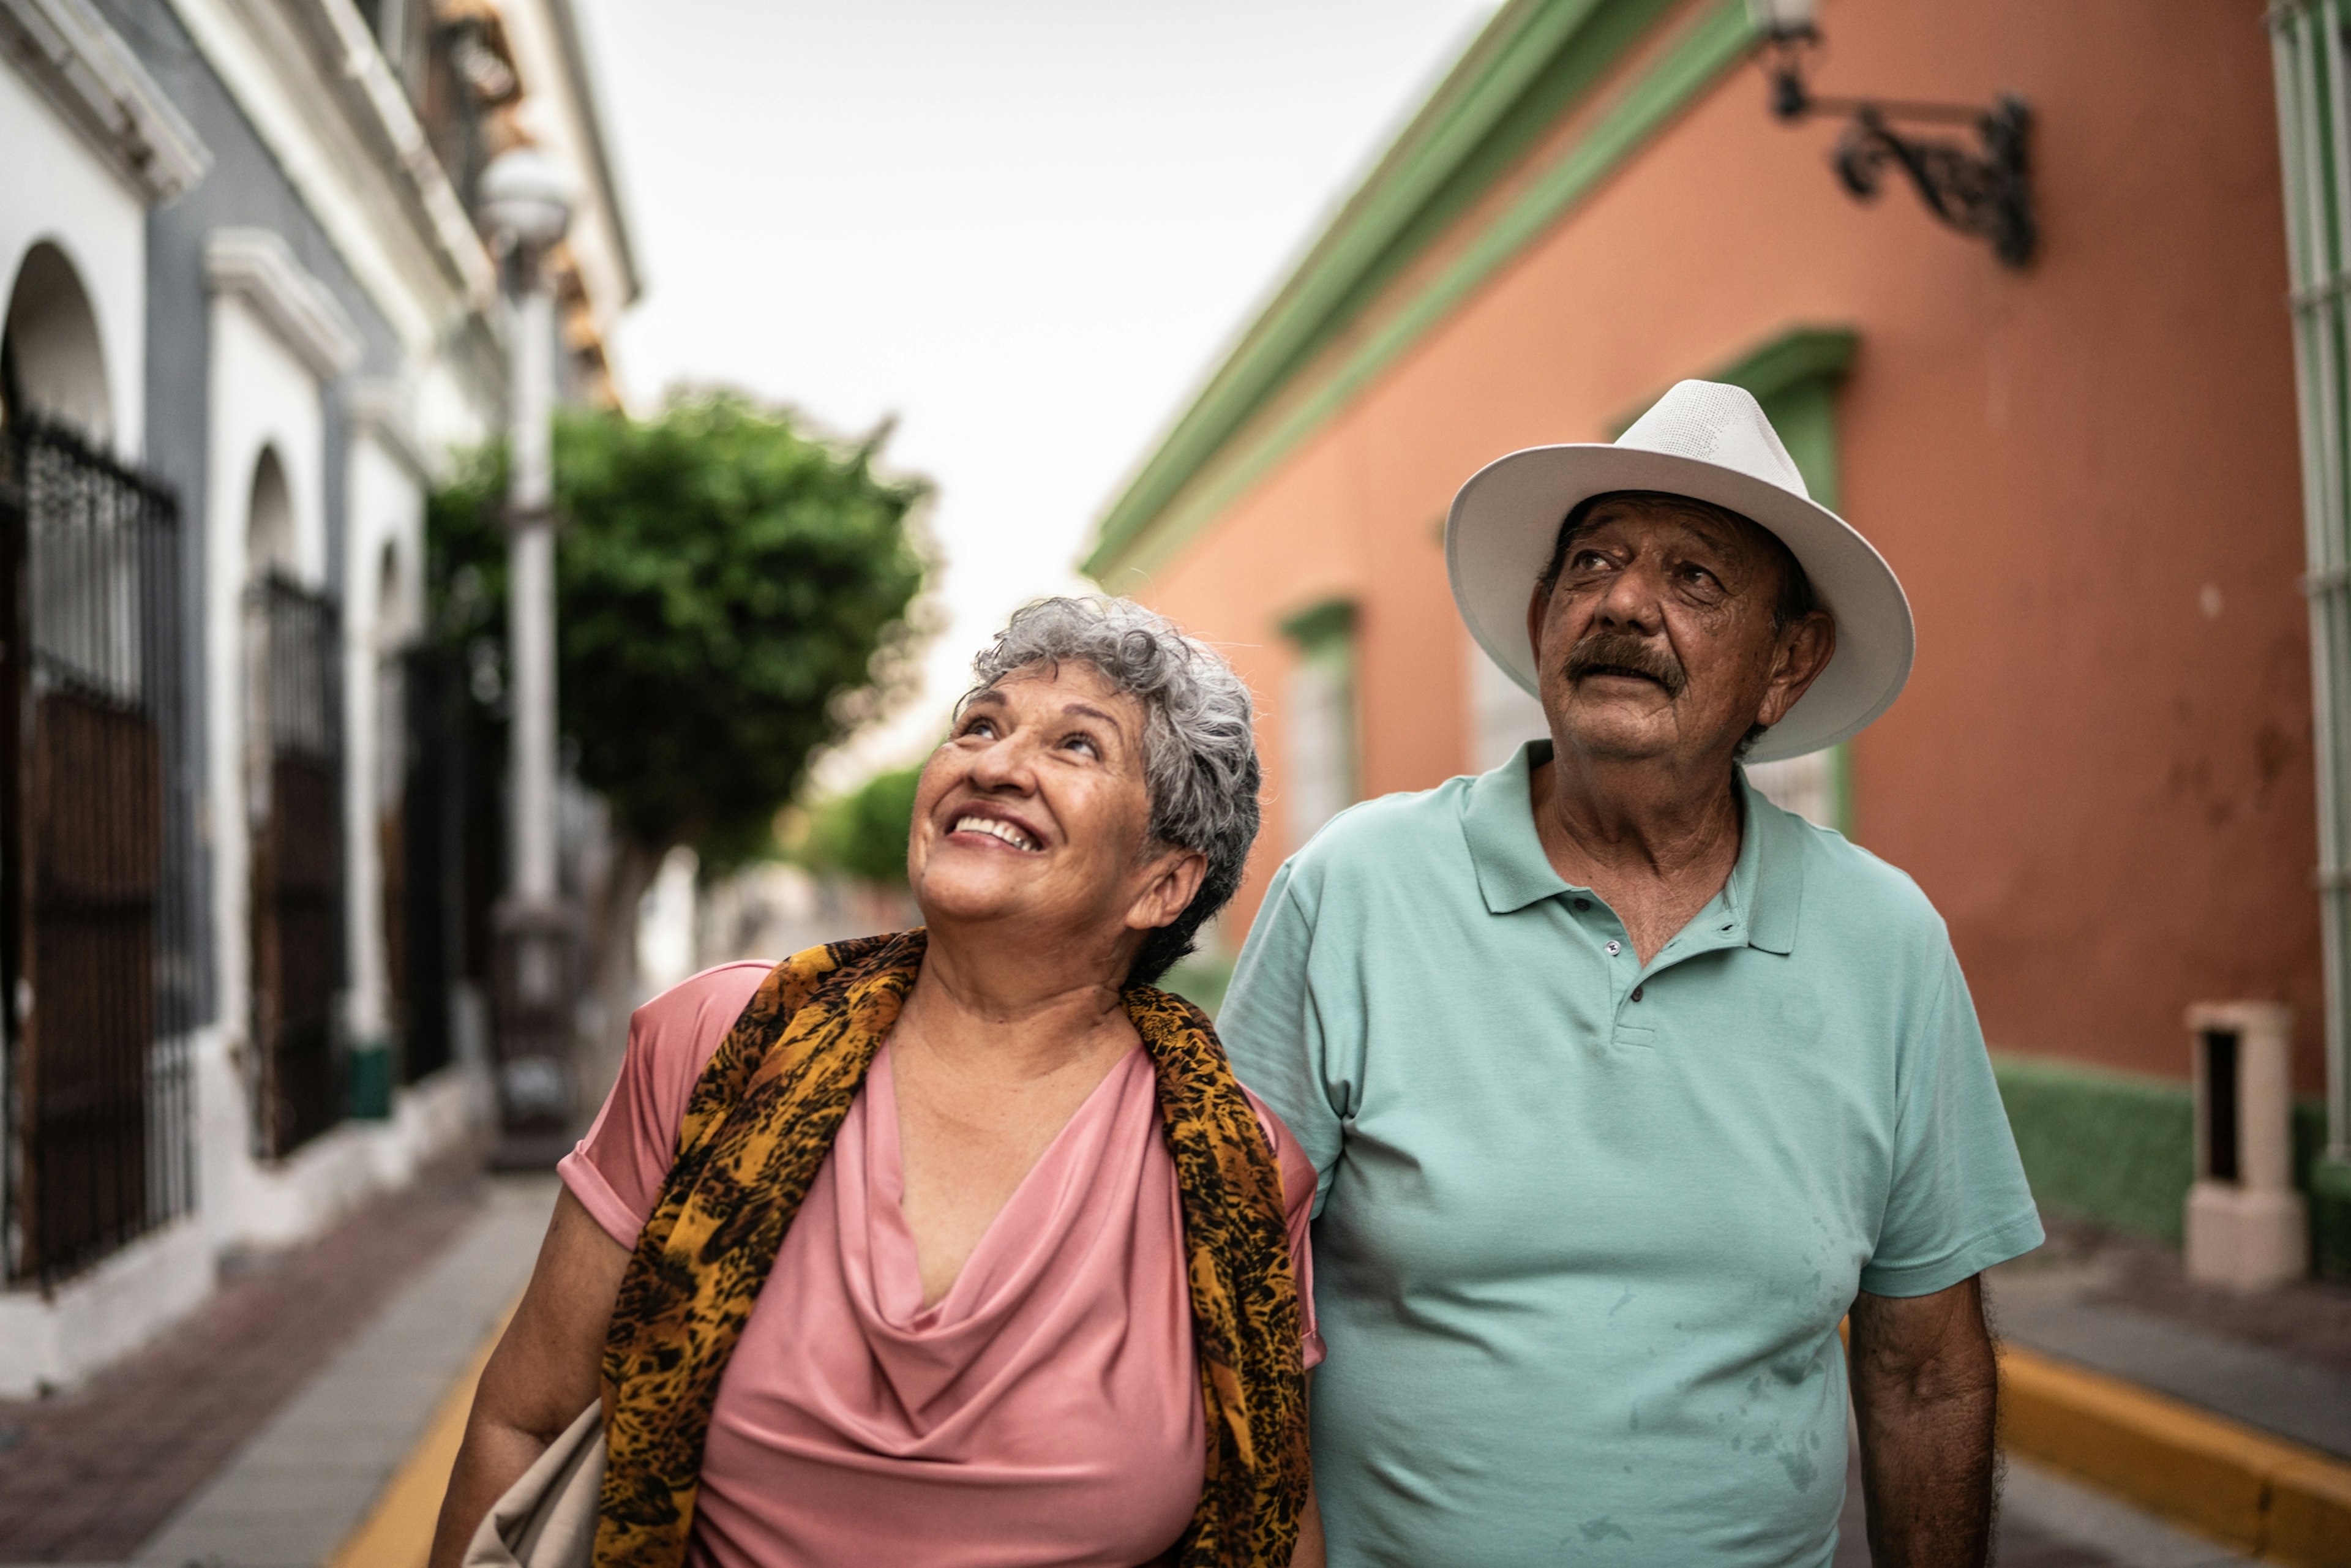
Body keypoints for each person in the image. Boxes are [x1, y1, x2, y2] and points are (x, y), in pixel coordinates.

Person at [1220, 380, 2044, 1567]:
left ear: (1788, 662)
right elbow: (1233, 1294)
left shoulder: (1887, 940)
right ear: (1546, 615)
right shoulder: (1355, 888)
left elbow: (1924, 1369)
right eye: (1593, 563)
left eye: (1695, 578)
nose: (1624, 604)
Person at [429, 597, 1322, 1568]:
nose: (992, 761)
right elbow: (519, 1422)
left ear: (1162, 885)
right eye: (980, 723)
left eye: (1076, 746)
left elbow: (1274, 1514)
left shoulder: (1236, 1167)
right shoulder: (725, 1044)